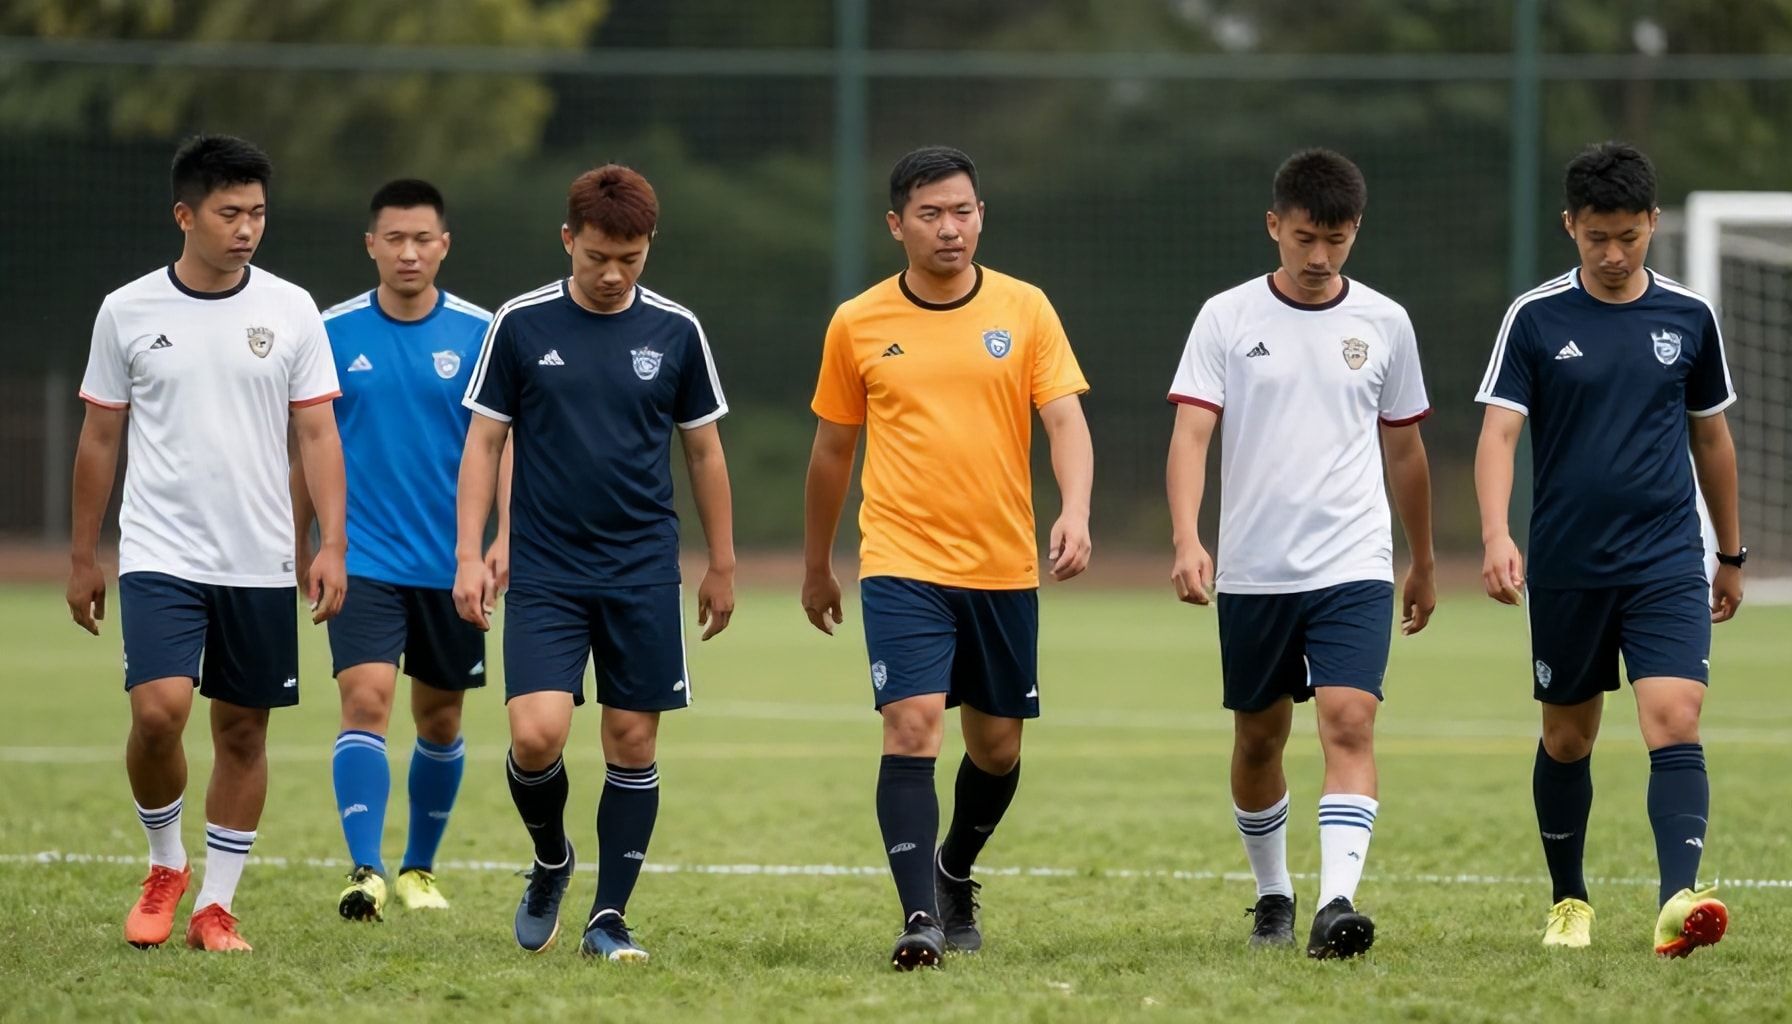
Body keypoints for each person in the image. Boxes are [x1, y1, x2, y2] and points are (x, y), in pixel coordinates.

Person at [802, 145, 1094, 970]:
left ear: (980, 217)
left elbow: (1065, 421)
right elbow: (831, 454)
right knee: (914, 726)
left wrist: (1074, 508)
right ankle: (920, 918)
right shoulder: (857, 322)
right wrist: (819, 562)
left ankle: (954, 868)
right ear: (897, 225)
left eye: (962, 210)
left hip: (1002, 565)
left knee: (997, 747)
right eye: (930, 214)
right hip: (900, 558)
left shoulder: (1026, 308)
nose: (949, 227)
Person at [68, 134, 347, 952]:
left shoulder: (292, 309)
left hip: (259, 557)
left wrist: (330, 542)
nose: (246, 228)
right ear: (185, 214)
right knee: (160, 714)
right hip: (159, 550)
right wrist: (85, 556)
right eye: (230, 213)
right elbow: (97, 440)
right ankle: (165, 865)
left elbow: (320, 435)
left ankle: (216, 907)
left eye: (258, 213)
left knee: (242, 732)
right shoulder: (127, 310)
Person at [455, 164, 735, 962]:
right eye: (598, 257)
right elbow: (484, 442)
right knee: (536, 735)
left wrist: (722, 562)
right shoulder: (519, 323)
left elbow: (706, 451)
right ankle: (551, 859)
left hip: (643, 567)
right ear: (568, 240)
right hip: (545, 567)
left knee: (632, 741)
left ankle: (608, 918)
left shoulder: (677, 330)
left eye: (632, 259)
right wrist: (468, 554)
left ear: (650, 247)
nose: (614, 275)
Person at [1165, 148, 1435, 959]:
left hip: (1353, 563)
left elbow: (1407, 453)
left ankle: (1337, 901)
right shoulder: (1226, 317)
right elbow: (1192, 433)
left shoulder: (1385, 323)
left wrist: (1421, 559)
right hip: (1256, 569)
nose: (1320, 258)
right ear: (1275, 226)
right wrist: (1188, 536)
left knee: (1350, 722)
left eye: (1338, 240)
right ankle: (1274, 895)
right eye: (1306, 238)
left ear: (1357, 232)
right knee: (1259, 739)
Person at [1474, 141, 1741, 957]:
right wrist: (1494, 533)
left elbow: (1713, 440)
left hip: (1664, 557)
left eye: (1630, 235)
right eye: (1598, 237)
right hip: (1568, 563)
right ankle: (1570, 901)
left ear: (1654, 223)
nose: (1616, 253)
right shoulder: (1536, 316)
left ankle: (1675, 903)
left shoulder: (1689, 317)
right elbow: (1499, 433)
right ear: (1571, 227)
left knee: (1675, 717)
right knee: (1567, 738)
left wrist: (1728, 554)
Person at [294, 179, 504, 922]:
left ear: (444, 244)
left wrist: (496, 541)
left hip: (454, 566)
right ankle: (366, 869)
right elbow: (308, 446)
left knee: (440, 720)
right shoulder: (331, 330)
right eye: (394, 239)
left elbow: (502, 443)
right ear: (371, 245)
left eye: (423, 239)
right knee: (365, 701)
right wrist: (308, 543)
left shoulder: (484, 332)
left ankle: (418, 868)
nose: (408, 252)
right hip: (365, 560)